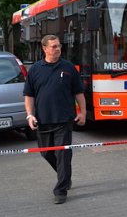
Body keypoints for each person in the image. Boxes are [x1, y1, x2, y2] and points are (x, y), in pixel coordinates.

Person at [24, 35, 86, 204]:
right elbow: (29, 96)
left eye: (59, 46)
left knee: (62, 153)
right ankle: (65, 176)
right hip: (43, 120)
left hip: (64, 120)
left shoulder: (68, 68)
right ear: (44, 48)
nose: (57, 49)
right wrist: (30, 115)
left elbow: (78, 93)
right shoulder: (35, 70)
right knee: (46, 153)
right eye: (53, 47)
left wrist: (83, 112)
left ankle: (60, 190)